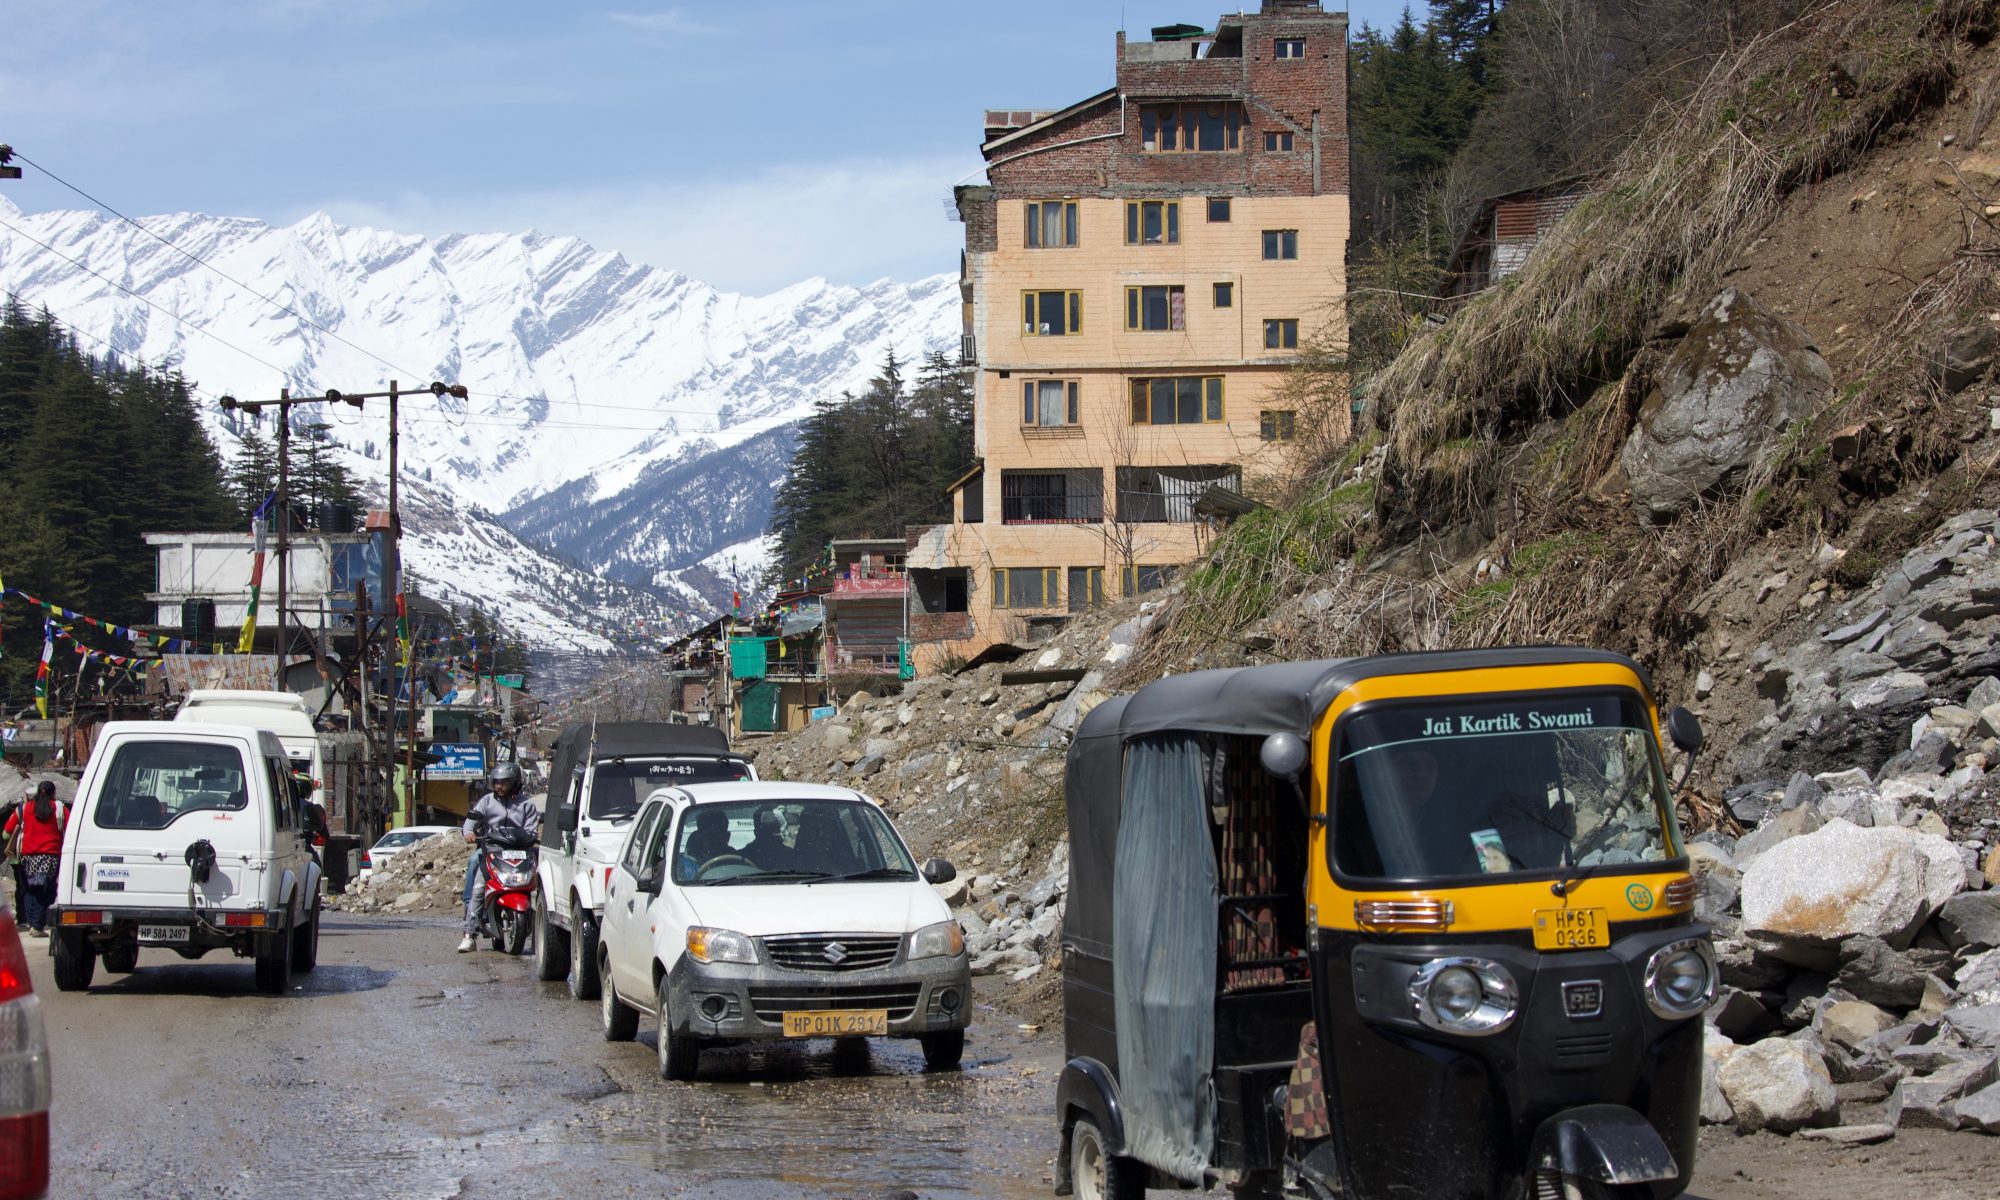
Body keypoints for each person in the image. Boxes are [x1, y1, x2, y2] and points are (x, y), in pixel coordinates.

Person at [459, 762, 539, 953]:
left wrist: (530, 838)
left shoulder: (526, 804)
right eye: (496, 783)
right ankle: (469, 934)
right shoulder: (486, 801)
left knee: (542, 876)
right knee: (477, 878)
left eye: (504, 783)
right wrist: (468, 833)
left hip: (520, 851)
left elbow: (531, 830)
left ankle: (544, 931)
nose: (499, 787)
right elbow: (470, 823)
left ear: (515, 783)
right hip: (492, 850)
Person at [3, 782, 68, 937]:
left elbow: (6, 832)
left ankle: (33, 922)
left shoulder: (24, 808)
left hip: (27, 858)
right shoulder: (60, 809)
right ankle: (37, 925)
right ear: (53, 793)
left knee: (30, 890)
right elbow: (71, 828)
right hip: (50, 857)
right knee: (46, 890)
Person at [0, 788, 25, 922]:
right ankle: (37, 919)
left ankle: (22, 917)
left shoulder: (19, 812)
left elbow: (5, 834)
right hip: (48, 857)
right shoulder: (57, 810)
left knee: (21, 887)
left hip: (18, 857)